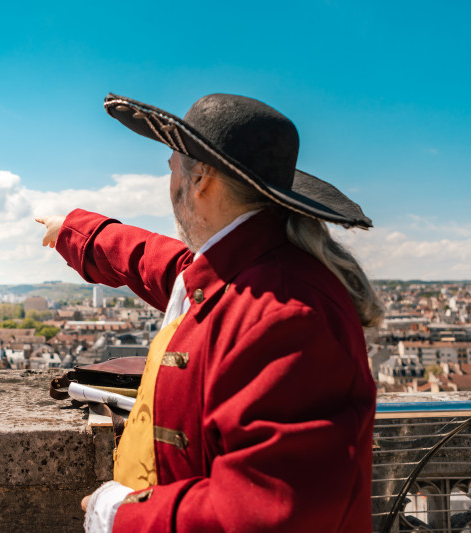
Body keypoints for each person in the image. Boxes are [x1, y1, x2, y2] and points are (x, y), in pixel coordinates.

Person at [36, 93, 383, 532]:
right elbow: (162, 264)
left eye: (172, 166)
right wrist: (74, 229)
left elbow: (269, 510)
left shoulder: (289, 315)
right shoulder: (251, 273)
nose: (169, 180)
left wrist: (119, 514)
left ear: (201, 177)